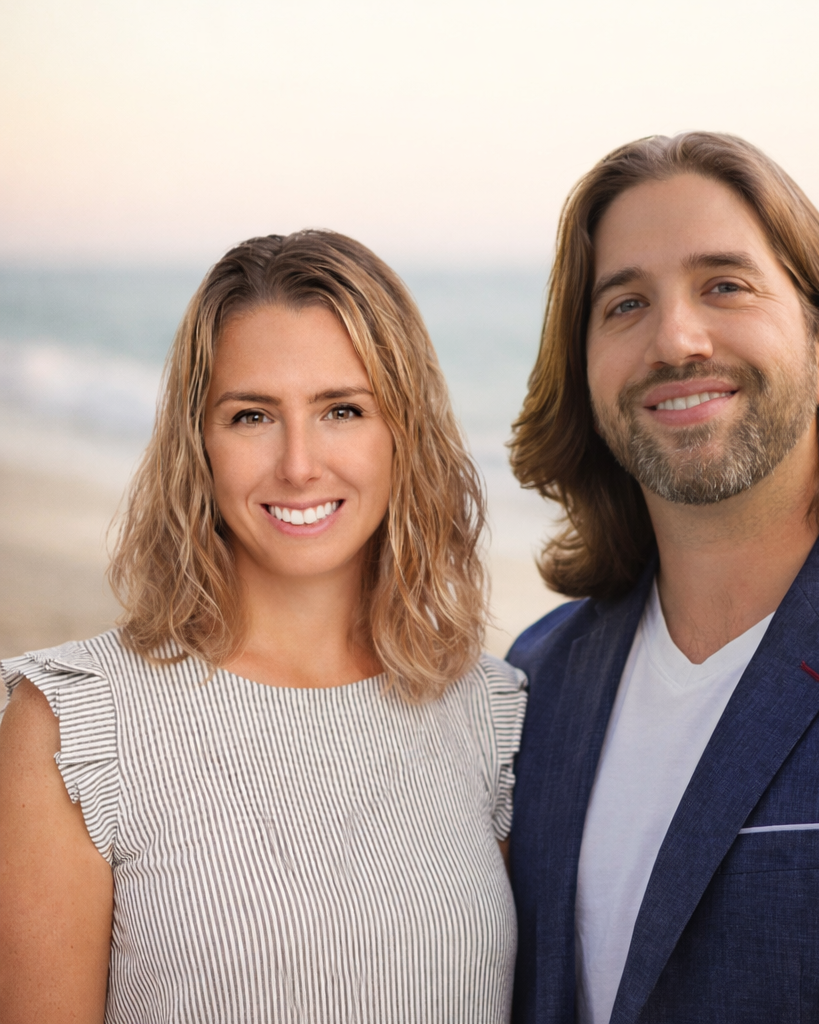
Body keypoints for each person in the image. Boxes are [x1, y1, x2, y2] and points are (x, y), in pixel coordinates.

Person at [505, 132, 819, 1023]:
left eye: (725, 286)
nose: (675, 339)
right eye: (624, 304)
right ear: (588, 375)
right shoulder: (536, 681)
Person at [0, 230, 526, 1024]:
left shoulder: (489, 714)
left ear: (402, 435)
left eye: (342, 409)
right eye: (251, 416)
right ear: (197, 443)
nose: (300, 464)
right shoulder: (77, 726)